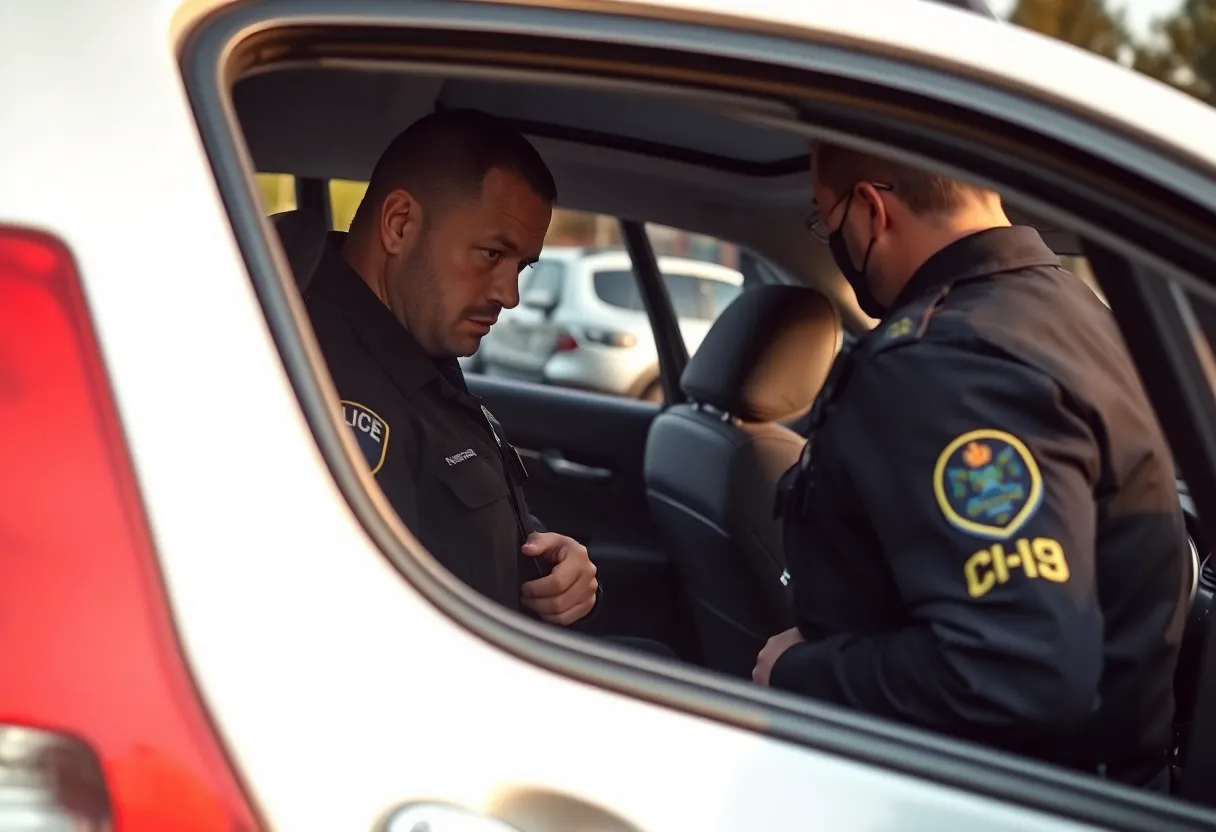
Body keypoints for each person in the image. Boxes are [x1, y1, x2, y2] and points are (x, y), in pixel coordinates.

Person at [753, 140, 1189, 790]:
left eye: (827, 220)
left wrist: (800, 673)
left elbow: (1020, 667)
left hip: (994, 796)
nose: (833, 241)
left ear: (872, 211)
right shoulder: (1075, 313)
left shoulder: (945, 363)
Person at [303, 109, 601, 627]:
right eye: (491, 253)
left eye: (521, 266)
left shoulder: (416, 351)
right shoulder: (328, 386)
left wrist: (550, 556)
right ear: (399, 225)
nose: (509, 295)